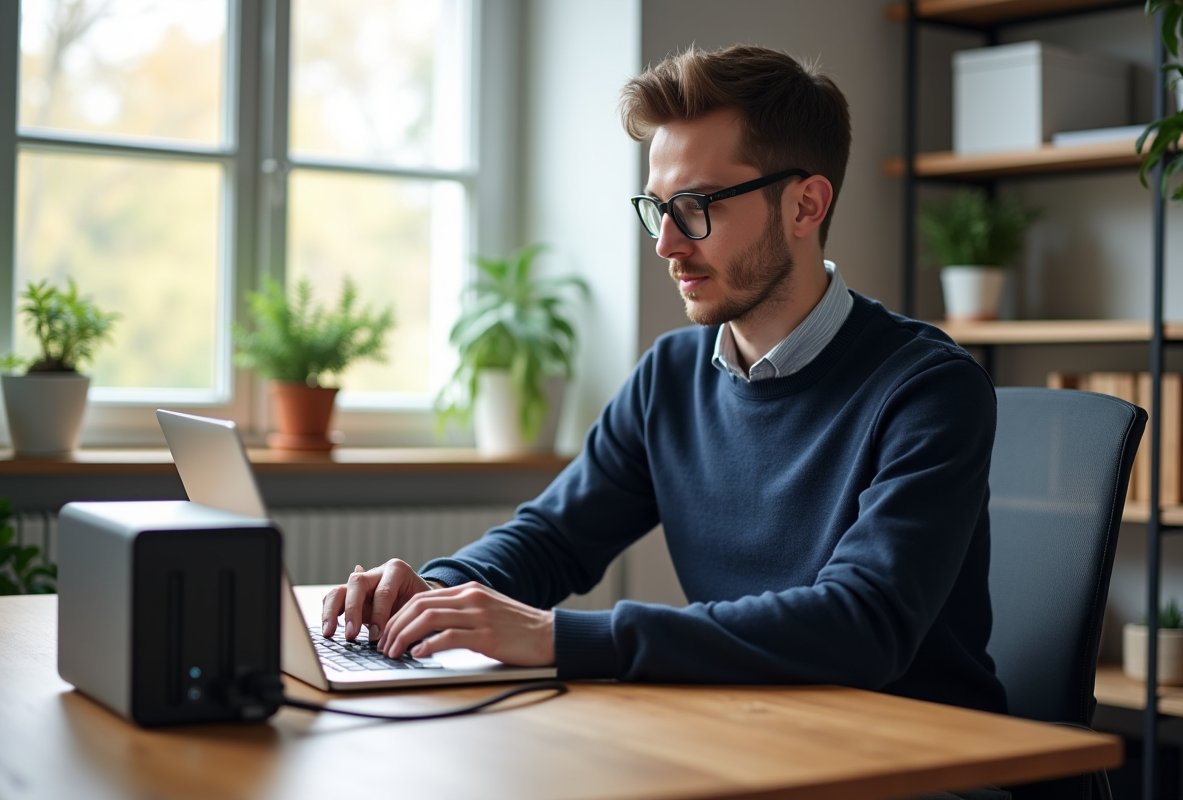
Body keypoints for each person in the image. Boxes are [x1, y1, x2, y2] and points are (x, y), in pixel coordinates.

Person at [322, 45, 1005, 719]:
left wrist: (559, 638)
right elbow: (553, 539)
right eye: (658, 208)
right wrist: (430, 593)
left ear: (805, 207)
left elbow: (862, 626)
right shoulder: (671, 377)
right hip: (749, 735)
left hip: (920, 761)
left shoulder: (929, 389)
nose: (667, 245)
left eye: (699, 205)